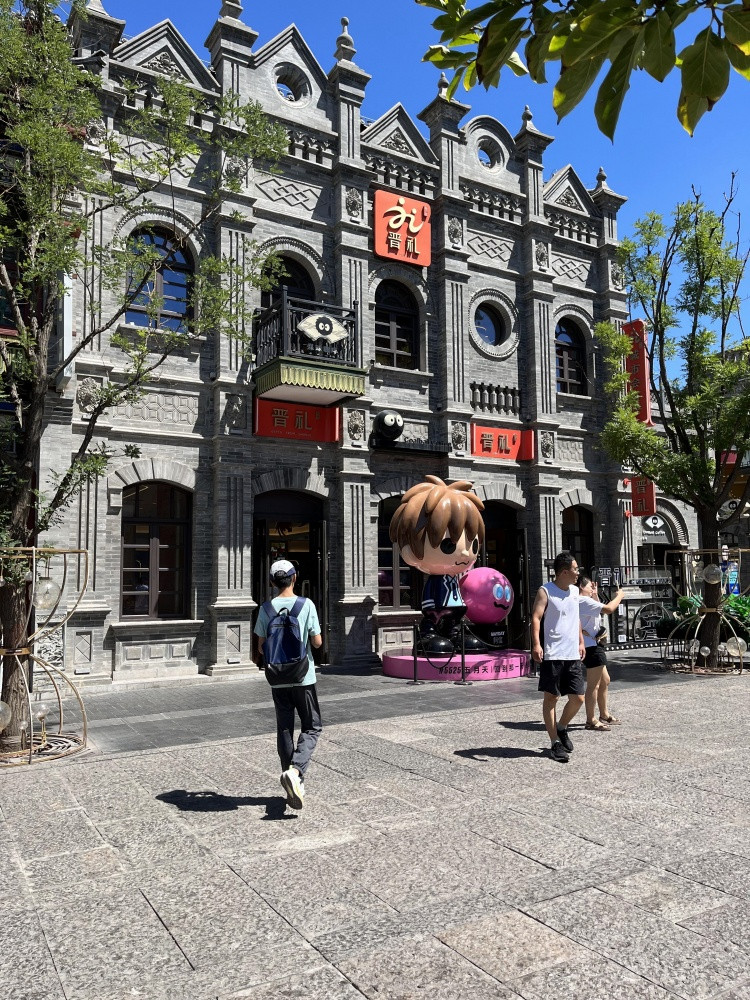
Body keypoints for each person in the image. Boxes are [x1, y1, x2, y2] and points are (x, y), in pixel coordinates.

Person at [253, 559, 323, 810]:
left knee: (284, 729)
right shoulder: (306, 605)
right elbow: (317, 642)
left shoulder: (265, 609)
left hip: (278, 679)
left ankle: (290, 778)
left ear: (272, 582)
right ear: (294, 578)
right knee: (312, 726)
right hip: (303, 677)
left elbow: (261, 647)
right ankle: (296, 772)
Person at [389, 475, 485, 654]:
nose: (465, 553)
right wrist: (432, 609)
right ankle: (428, 634)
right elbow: (429, 601)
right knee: (431, 621)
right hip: (436, 608)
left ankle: (453, 634)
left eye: (473, 545)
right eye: (448, 545)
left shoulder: (455, 576)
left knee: (453, 623)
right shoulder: (434, 581)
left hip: (454, 608)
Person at [530, 551, 586, 763]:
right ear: (564, 572)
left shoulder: (574, 591)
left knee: (578, 698)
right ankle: (554, 743)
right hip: (553, 653)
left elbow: (576, 617)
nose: (578, 573)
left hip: (572, 653)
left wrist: (581, 641)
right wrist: (536, 644)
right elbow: (536, 617)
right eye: (575, 569)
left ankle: (561, 727)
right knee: (551, 698)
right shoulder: (546, 591)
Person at [578, 575, 624, 730]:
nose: (592, 588)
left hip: (593, 644)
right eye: (589, 586)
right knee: (594, 685)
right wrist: (619, 596)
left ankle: (604, 714)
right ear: (581, 587)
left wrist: (595, 594)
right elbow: (609, 609)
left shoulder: (586, 601)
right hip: (591, 646)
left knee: (605, 680)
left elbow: (597, 612)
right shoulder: (583, 600)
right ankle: (590, 720)